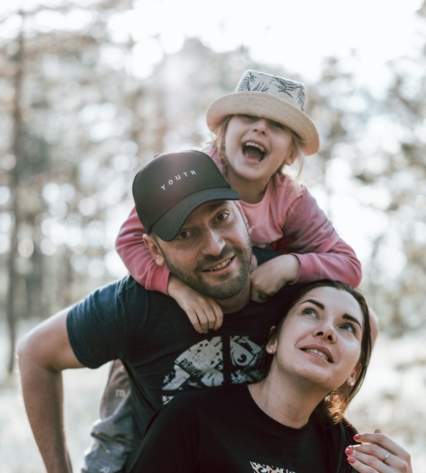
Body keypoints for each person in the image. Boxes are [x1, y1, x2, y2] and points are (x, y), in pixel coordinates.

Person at [19, 150, 305, 473]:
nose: (215, 246)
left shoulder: (296, 294)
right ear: (155, 252)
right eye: (185, 234)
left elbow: (359, 329)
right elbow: (35, 353)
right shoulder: (136, 305)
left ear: (243, 214)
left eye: (221, 217)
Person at [112, 281, 426, 473]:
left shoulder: (346, 449)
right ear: (272, 340)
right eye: (311, 312)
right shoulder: (192, 419)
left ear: (353, 371)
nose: (326, 330)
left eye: (347, 328)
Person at [116, 69, 361, 333]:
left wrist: (290, 265)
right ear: (224, 131)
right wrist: (177, 288)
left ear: (290, 154)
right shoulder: (190, 174)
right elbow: (130, 240)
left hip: (254, 309)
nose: (260, 127)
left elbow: (349, 265)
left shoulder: (291, 201)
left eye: (277, 125)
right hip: (188, 295)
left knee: (366, 318)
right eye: (248, 116)